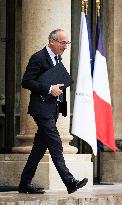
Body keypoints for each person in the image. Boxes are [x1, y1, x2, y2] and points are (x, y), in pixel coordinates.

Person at [18, 29, 88, 194]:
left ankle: (24, 183)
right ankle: (70, 182)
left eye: (67, 43)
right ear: (52, 42)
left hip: (52, 109)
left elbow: (58, 84)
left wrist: (61, 104)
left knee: (39, 148)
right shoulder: (38, 57)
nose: (65, 46)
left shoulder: (57, 58)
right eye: (63, 43)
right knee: (56, 143)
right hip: (40, 109)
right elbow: (26, 81)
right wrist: (49, 89)